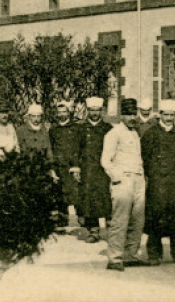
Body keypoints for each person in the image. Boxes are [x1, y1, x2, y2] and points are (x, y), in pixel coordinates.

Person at [141, 99, 175, 264]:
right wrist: (155, 174)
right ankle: (154, 253)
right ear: (160, 115)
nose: (169, 118)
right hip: (157, 182)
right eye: (166, 115)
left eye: (172, 115)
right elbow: (145, 158)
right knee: (156, 216)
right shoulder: (151, 133)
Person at [102, 98, 147, 271]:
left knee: (137, 220)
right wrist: (117, 178)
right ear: (121, 115)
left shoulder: (135, 133)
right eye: (128, 114)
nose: (131, 118)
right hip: (123, 180)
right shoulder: (114, 133)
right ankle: (114, 258)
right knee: (120, 220)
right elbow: (105, 160)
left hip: (138, 179)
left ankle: (130, 254)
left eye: (134, 114)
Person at [75, 97, 113, 243]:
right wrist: (76, 168)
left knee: (105, 197)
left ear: (101, 111)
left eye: (97, 110)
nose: (95, 113)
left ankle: (110, 230)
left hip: (104, 169)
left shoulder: (108, 128)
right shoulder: (81, 128)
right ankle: (93, 230)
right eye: (92, 110)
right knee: (88, 199)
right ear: (88, 111)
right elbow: (75, 149)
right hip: (87, 169)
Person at [49, 100, 82, 231]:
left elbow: (80, 147)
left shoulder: (76, 128)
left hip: (71, 166)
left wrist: (77, 165)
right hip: (58, 166)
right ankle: (62, 221)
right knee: (60, 193)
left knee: (74, 193)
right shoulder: (53, 129)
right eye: (59, 112)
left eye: (64, 112)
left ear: (69, 113)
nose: (62, 114)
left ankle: (79, 220)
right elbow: (51, 147)